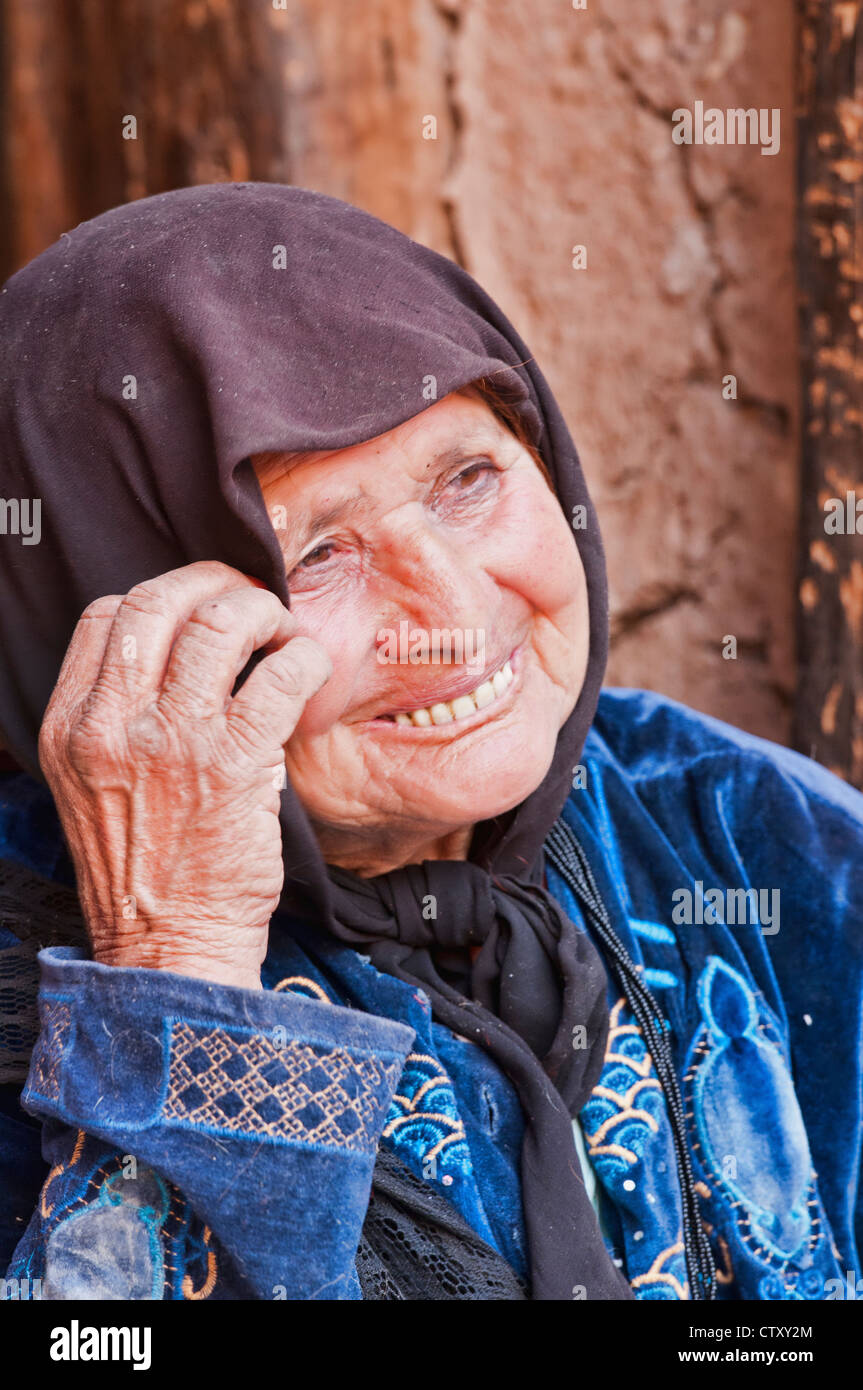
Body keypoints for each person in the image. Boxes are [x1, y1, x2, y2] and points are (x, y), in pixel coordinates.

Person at [0, 183, 860, 1302]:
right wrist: (175, 974)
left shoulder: (749, 838)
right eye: (314, 556)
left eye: (467, 480)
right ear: (114, 627)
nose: (450, 606)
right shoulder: (35, 989)